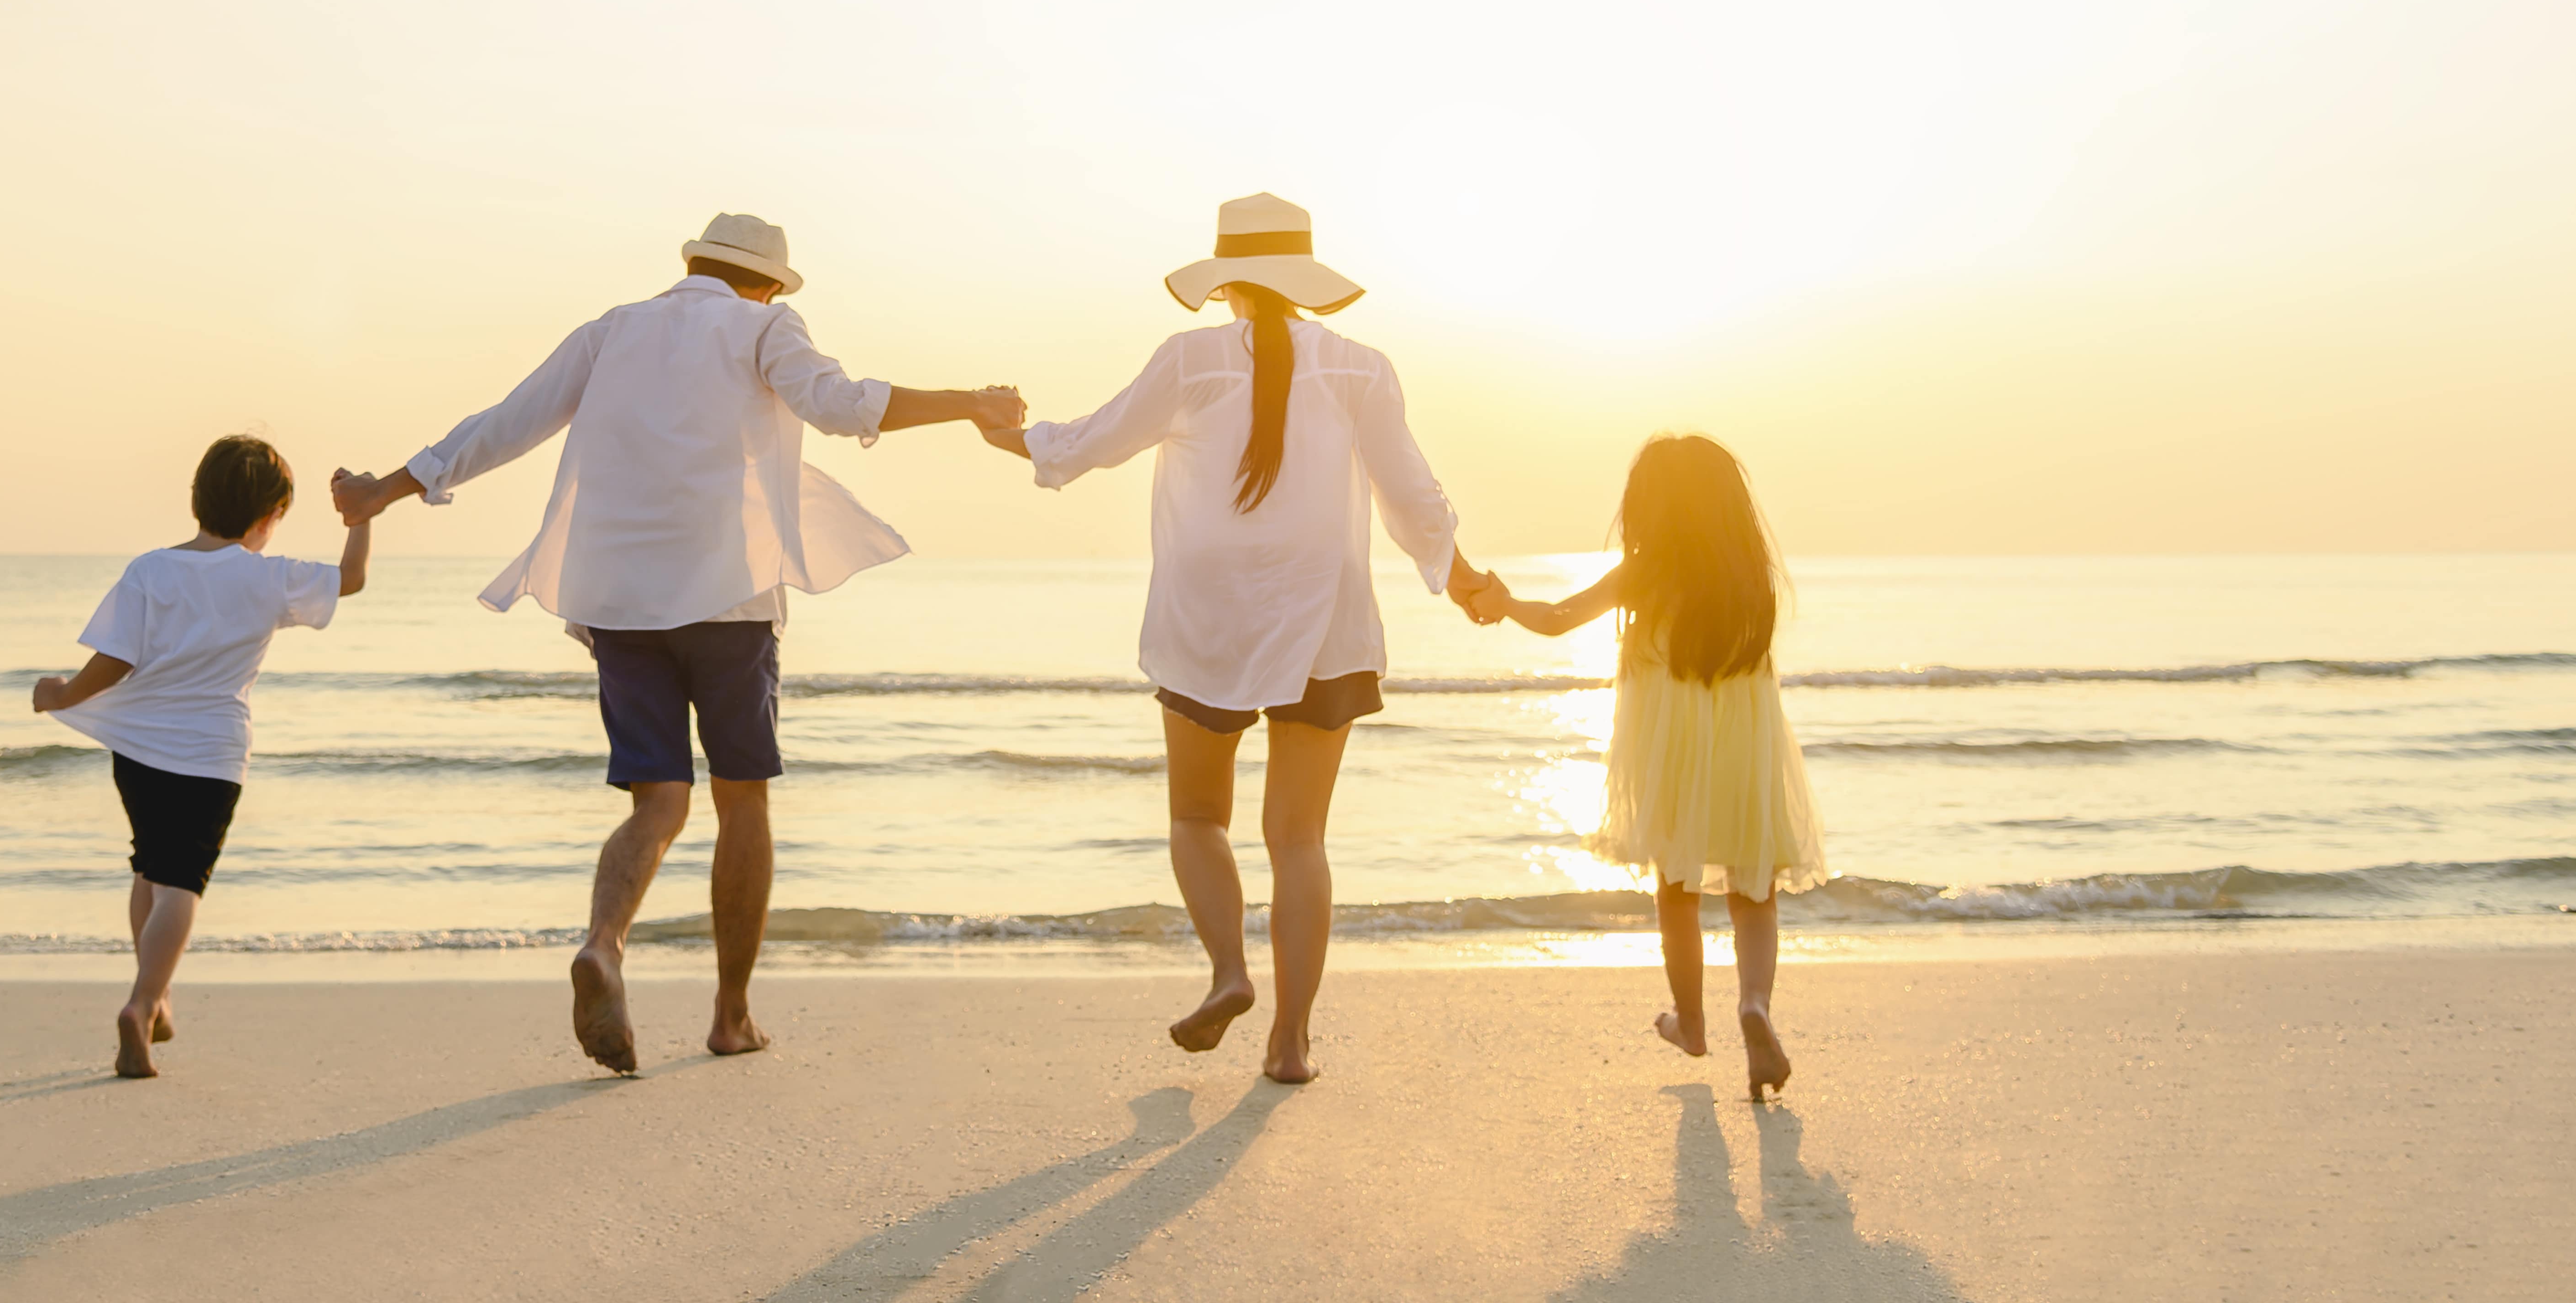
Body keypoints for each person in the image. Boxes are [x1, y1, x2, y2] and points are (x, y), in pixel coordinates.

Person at [337, 213, 1024, 1075]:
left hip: (619, 598)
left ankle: (603, 942)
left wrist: (386, 490)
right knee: (743, 801)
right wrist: (971, 403)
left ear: (692, 264)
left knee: (657, 803)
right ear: (769, 283)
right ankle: (731, 1016)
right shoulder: (767, 325)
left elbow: (504, 424)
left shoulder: (613, 329)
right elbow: (841, 403)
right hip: (728, 599)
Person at [981, 194, 1486, 1085]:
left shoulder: (1191, 360)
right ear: (1302, 280)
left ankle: (1228, 971)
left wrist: (1015, 437)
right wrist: (1464, 576)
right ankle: (1291, 1044)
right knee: (1299, 839)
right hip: (1324, 613)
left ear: (1227, 285)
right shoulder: (1362, 367)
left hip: (1208, 610)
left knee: (1195, 817)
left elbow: (1091, 443)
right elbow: (1413, 493)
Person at [1461, 434, 1821, 1101]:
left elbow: (1559, 617)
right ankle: (1756, 1005)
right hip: (1746, 747)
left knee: (1676, 887)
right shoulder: (1752, 581)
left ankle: (1690, 1020)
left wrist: (1505, 602)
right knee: (1754, 889)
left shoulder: (1646, 571)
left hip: (1672, 752)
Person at [31, 434, 376, 1080]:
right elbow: (351, 580)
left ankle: (156, 999)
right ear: (267, 515)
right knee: (183, 881)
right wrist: (360, 519)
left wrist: (62, 694)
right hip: (210, 752)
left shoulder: (150, 569)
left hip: (138, 748)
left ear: (198, 497)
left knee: (149, 869)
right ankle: (141, 1003)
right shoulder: (266, 576)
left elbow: (115, 659)